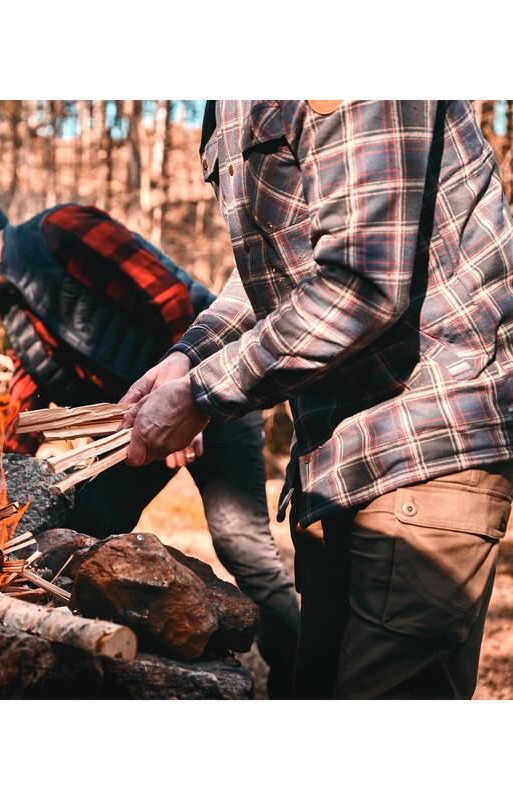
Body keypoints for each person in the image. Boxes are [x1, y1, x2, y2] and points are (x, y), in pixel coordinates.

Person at [121, 100, 513, 699]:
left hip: (427, 439)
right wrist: (187, 358)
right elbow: (274, 268)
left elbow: (360, 282)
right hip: (337, 460)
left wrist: (204, 394)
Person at [0, 193, 300, 696]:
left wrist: (185, 394)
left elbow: (169, 295)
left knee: (245, 550)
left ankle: (306, 681)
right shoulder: (16, 308)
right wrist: (2, 480)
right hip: (139, 428)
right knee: (86, 521)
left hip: (210, 391)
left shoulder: (62, 228)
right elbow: (30, 386)